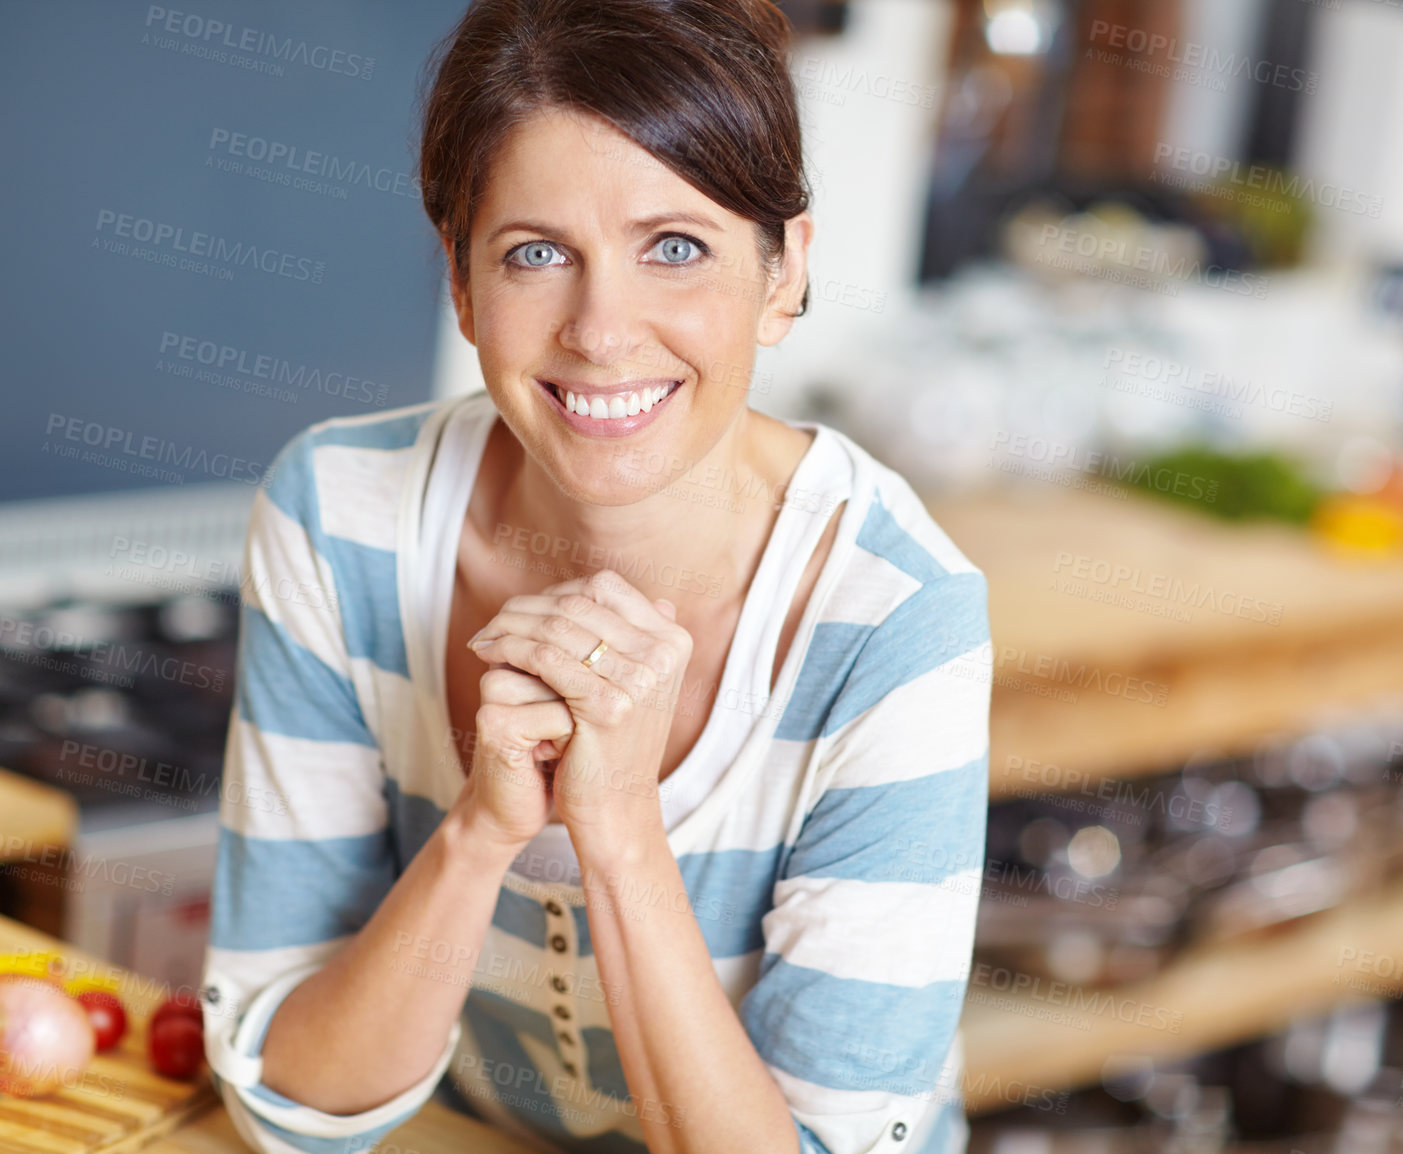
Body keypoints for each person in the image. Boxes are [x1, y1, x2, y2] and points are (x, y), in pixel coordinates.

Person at [198, 1, 992, 1151]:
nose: (601, 329)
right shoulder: (338, 517)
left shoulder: (893, 617)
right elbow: (290, 1100)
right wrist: (479, 830)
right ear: (461, 286)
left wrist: (617, 829)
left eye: (675, 246)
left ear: (784, 272)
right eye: (535, 253)